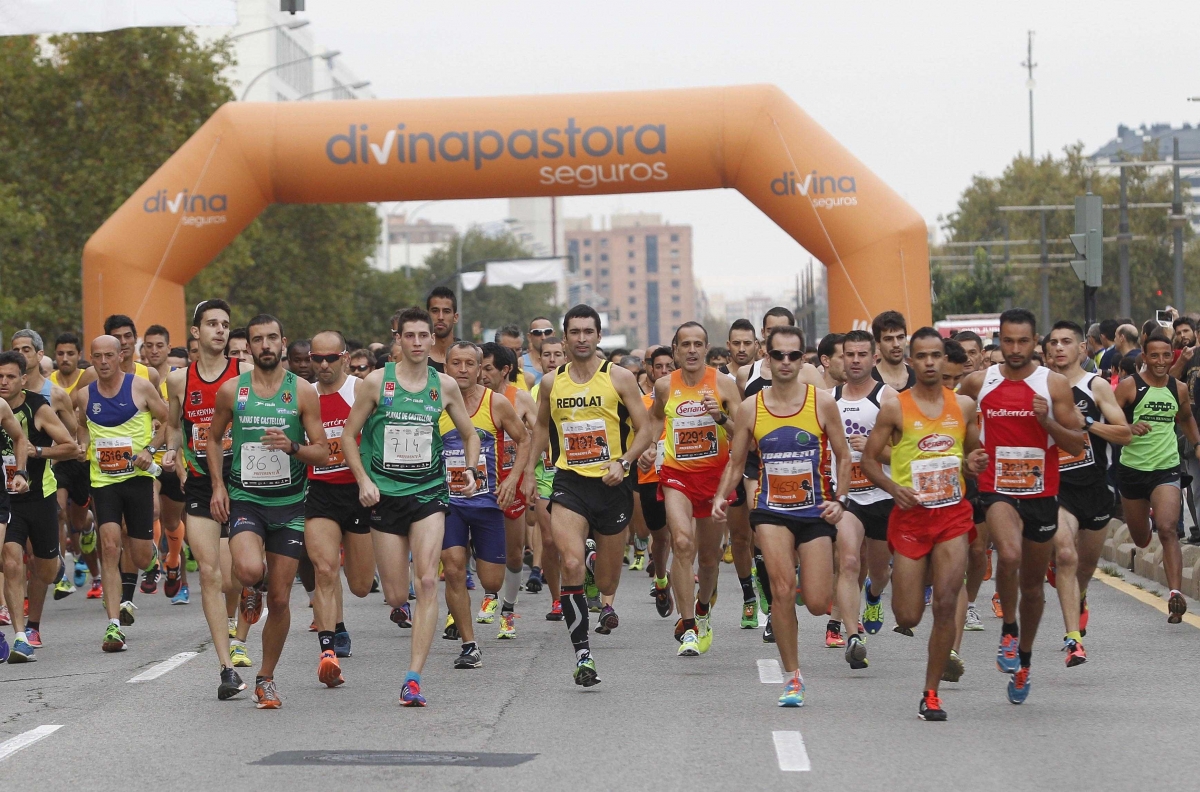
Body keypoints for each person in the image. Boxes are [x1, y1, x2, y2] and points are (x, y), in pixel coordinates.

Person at [341, 307, 481, 707]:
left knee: (428, 582)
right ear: (398, 339)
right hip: (384, 495)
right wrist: (364, 481)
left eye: (424, 335)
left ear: (432, 340)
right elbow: (349, 436)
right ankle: (401, 609)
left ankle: (413, 678)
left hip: (428, 493)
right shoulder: (376, 383)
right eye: (410, 335)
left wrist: (470, 469)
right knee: (395, 595)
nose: (418, 342)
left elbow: (470, 434)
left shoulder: (445, 385)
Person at [713, 325, 851, 707]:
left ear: (803, 359)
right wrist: (721, 496)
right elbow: (736, 461)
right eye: (779, 355)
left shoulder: (822, 403)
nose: (786, 362)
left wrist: (841, 499)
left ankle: (804, 584)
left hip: (815, 509)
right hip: (771, 510)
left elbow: (843, 455)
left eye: (794, 355)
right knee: (782, 589)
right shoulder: (750, 407)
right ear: (767, 357)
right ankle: (793, 678)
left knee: (818, 602)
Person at [958, 308, 1084, 705]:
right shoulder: (979, 381)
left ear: (1035, 343)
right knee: (1008, 554)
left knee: (1032, 588)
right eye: (1008, 341)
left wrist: (1047, 424)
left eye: (1023, 341)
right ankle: (1008, 630)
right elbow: (951, 425)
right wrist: (968, 456)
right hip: (997, 489)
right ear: (1000, 339)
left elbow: (1077, 445)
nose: (1015, 349)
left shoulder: (1053, 384)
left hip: (1041, 495)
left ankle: (1024, 660)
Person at [861, 328, 987, 722]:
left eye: (936, 355)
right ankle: (914, 576)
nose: (930, 362)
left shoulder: (963, 406)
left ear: (945, 360)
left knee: (947, 602)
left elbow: (974, 454)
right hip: (911, 518)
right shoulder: (894, 408)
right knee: (909, 616)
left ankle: (931, 694)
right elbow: (867, 460)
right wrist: (893, 488)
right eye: (922, 356)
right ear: (911, 361)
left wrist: (974, 463)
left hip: (952, 515)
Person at [207, 314, 329, 709]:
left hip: (290, 505)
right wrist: (218, 485)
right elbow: (212, 440)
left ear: (282, 342)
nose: (265, 345)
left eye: (271, 338)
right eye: (257, 339)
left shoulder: (303, 392)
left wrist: (292, 447)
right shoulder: (233, 391)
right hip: (246, 499)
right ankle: (250, 586)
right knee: (247, 570)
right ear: (249, 346)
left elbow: (323, 452)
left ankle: (266, 678)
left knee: (279, 600)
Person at [529, 304, 653, 687]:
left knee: (607, 583)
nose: (581, 338)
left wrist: (625, 461)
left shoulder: (619, 378)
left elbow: (646, 429)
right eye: (575, 332)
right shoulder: (551, 383)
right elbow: (540, 429)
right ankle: (582, 654)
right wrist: (525, 474)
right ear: (565, 338)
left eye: (588, 332)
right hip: (570, 483)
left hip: (612, 485)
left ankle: (594, 561)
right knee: (569, 563)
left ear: (599, 336)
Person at [165, 299, 251, 699]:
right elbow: (174, 425)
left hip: (243, 482)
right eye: (212, 323)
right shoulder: (178, 381)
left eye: (225, 324)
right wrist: (173, 453)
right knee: (211, 574)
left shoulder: (244, 373)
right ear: (196, 332)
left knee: (237, 576)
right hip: (200, 484)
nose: (220, 330)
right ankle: (226, 667)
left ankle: (244, 614)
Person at [644, 322, 741, 656]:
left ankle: (702, 609)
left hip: (715, 478)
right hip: (677, 476)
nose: (692, 350)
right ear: (675, 350)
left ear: (706, 348)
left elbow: (744, 432)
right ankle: (688, 628)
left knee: (710, 559)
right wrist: (648, 446)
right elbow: (655, 419)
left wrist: (720, 418)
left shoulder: (724, 384)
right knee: (682, 543)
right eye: (685, 344)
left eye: (698, 344)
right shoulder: (664, 386)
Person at [73, 335, 168, 653]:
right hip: (103, 482)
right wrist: (83, 443)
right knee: (110, 546)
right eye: (97, 356)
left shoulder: (140, 387)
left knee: (138, 556)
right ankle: (113, 626)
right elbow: (81, 424)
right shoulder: (85, 394)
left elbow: (168, 420)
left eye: (108, 356)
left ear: (120, 356)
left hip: (137, 480)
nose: (103, 362)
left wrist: (150, 449)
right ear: (91, 358)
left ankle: (151, 556)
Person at [735, 308, 824, 644]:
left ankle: (793, 577)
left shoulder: (809, 373)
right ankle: (775, 604)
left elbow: (825, 416)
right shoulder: (746, 374)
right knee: (761, 534)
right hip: (759, 464)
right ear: (764, 339)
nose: (783, 355)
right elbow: (743, 422)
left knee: (796, 546)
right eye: (773, 334)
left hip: (801, 465)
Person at [438, 342, 530, 666]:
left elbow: (524, 439)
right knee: (452, 566)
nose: (462, 369)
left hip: (488, 502)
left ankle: (481, 584)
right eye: (456, 363)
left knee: (491, 580)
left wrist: (513, 479)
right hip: (448, 501)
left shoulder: (496, 403)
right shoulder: (434, 403)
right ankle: (469, 644)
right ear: (446, 367)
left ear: (480, 369)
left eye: (469, 363)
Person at [1044, 321, 1130, 658]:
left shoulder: (1095, 386)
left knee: (1086, 564)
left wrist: (1089, 424)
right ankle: (1073, 640)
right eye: (1053, 342)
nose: (1059, 347)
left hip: (1095, 485)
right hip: (1055, 486)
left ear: (1082, 348)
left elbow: (1124, 434)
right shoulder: (1038, 386)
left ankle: (1079, 595)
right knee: (1066, 554)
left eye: (1066, 341)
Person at [305, 331, 377, 688]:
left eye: (330, 358)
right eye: (316, 358)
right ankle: (329, 646)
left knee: (361, 585)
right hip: (319, 491)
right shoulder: (304, 395)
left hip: (357, 491)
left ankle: (339, 622)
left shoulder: (360, 390)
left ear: (345, 358)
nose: (323, 365)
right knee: (324, 568)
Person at [1114, 329, 1200, 624]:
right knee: (1141, 539)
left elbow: (1185, 417)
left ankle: (1175, 595)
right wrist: (1128, 429)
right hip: (1132, 470)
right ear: (1145, 357)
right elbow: (1108, 421)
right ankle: (1146, 522)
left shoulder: (1179, 389)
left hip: (1166, 468)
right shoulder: (1129, 387)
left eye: (1166, 355)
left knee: (1168, 529)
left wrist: (1197, 444)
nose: (1161, 361)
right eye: (1155, 356)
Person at [0, 351, 74, 662]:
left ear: (23, 379)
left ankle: (54, 565)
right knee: (10, 562)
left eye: (10, 377)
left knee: (44, 569)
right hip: (7, 500)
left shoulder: (37, 408)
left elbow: (70, 446)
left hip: (39, 496)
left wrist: (38, 452)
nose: (4, 382)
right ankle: (22, 636)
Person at [829, 329, 897, 664]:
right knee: (849, 561)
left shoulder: (889, 398)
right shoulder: (828, 400)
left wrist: (873, 450)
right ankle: (852, 635)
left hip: (882, 494)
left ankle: (873, 594)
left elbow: (905, 455)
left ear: (874, 358)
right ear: (841, 358)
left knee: (880, 571)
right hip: (847, 496)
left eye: (862, 355)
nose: (855, 361)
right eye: (849, 355)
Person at [479, 342, 539, 627]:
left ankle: (508, 609)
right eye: (479, 367)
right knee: (475, 546)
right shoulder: (469, 398)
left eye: (488, 368)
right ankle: (487, 597)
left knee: (514, 554)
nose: (481, 374)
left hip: (511, 480)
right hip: (480, 482)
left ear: (505, 370)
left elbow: (539, 435)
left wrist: (528, 472)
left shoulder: (520, 398)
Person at [142, 324, 188, 602]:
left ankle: (173, 560)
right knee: (153, 509)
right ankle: (154, 564)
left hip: (175, 458)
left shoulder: (178, 378)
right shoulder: (138, 379)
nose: (154, 350)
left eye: (160, 345)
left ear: (169, 348)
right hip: (147, 459)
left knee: (172, 521)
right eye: (149, 345)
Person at [530, 336, 566, 620]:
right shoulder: (533, 392)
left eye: (557, 354)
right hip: (545, 473)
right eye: (547, 355)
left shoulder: (578, 387)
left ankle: (584, 587)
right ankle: (557, 599)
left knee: (579, 541)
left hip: (576, 473)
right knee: (550, 541)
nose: (552, 359)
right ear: (539, 359)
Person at [637, 346, 674, 617]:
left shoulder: (688, 399)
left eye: (668, 367)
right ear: (650, 369)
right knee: (658, 537)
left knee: (682, 536)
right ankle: (661, 579)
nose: (663, 371)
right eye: (658, 366)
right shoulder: (640, 403)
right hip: (650, 476)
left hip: (681, 474)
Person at [871, 311, 916, 391]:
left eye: (900, 337)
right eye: (888, 339)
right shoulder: (868, 381)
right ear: (877, 343)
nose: (896, 344)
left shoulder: (919, 379)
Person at [426, 287, 459, 372]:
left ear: (455, 317)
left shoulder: (467, 354)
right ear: (427, 316)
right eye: (435, 311)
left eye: (446, 311)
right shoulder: (418, 355)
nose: (440, 317)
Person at [521, 317, 555, 388]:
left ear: (553, 334)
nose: (543, 337)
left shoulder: (564, 361)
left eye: (547, 332)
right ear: (529, 337)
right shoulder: (521, 363)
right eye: (537, 333)